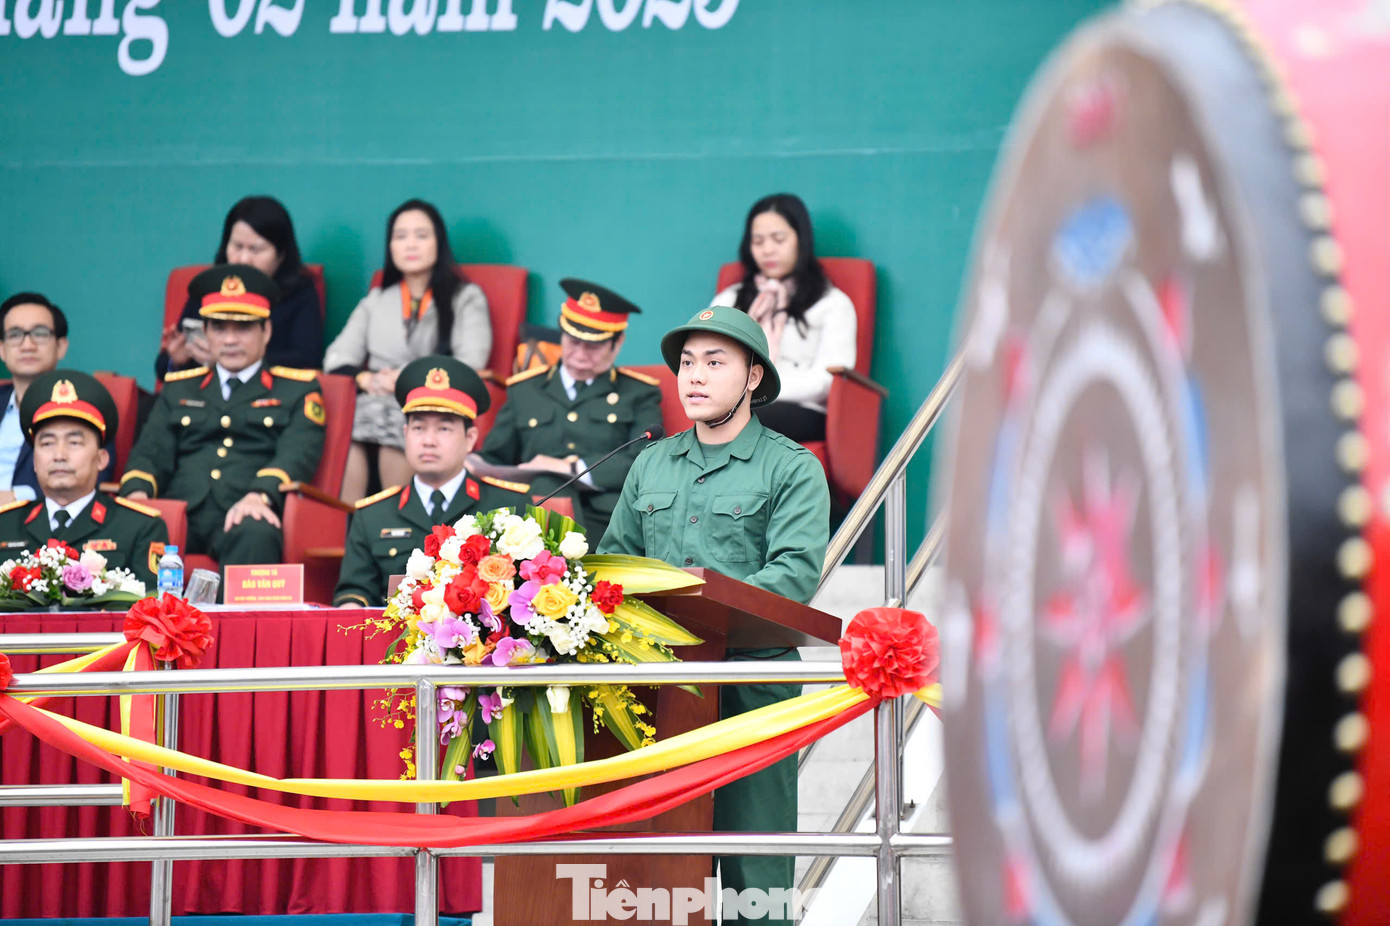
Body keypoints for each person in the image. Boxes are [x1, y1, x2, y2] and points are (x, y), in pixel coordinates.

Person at [599, 305, 829, 926]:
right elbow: (611, 566)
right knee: (658, 878)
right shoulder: (651, 462)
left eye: (715, 362)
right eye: (686, 364)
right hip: (658, 690)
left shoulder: (792, 467)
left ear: (754, 376)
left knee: (755, 878)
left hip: (750, 689)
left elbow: (792, 577)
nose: (693, 376)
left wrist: (688, 613)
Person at [119, 265, 325, 572]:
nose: (230, 340)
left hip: (245, 509)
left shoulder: (297, 389)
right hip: (181, 511)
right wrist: (138, 496)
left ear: (266, 331)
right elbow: (150, 452)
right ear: (205, 332)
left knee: (256, 531)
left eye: (242, 328)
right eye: (219, 327)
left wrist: (260, 495)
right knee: (132, 528)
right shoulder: (179, 387)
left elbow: (297, 453)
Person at [325, 199, 492, 503]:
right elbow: (336, 359)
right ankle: (347, 534)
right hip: (373, 399)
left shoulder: (465, 297)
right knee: (345, 426)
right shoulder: (376, 300)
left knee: (397, 422)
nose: (410, 245)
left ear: (438, 243)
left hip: (430, 399)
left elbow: (471, 362)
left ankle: (399, 528)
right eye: (400, 236)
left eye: (421, 235)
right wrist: (368, 380)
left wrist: (406, 379)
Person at [471, 278, 661, 543]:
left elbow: (646, 461)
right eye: (572, 341)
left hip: (608, 519)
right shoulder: (524, 390)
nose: (580, 354)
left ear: (617, 343)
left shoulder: (638, 393)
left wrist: (571, 467)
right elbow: (495, 458)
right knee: (544, 487)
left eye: (593, 345)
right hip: (532, 517)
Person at [334, 356, 530, 607]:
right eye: (418, 428)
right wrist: (351, 606)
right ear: (405, 434)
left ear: (470, 439)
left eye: (444, 429)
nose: (428, 440)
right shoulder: (373, 515)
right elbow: (353, 592)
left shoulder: (508, 506)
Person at [711, 193, 857, 442]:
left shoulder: (832, 303)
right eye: (758, 241)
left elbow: (828, 379)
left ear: (801, 240)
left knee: (742, 420)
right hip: (734, 405)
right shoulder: (729, 300)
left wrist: (759, 393)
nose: (768, 250)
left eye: (778, 239)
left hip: (802, 410)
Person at [0, 370, 166, 587]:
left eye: (74, 442)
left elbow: (152, 612)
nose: (59, 455)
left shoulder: (140, 528)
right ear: (34, 461)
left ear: (101, 459)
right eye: (47, 443)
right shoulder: (6, 525)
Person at [157, 195, 324, 377]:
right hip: (201, 396)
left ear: (281, 255)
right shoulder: (209, 285)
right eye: (237, 246)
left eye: (256, 249)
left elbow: (307, 360)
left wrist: (230, 360)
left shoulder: (299, 292)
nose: (243, 259)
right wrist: (176, 359)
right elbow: (163, 369)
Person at [0, 292, 115, 504]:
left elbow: (91, 478)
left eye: (40, 333)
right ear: (2, 349)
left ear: (61, 346)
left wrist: (16, 497)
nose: (27, 345)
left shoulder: (85, 405)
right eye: (15, 335)